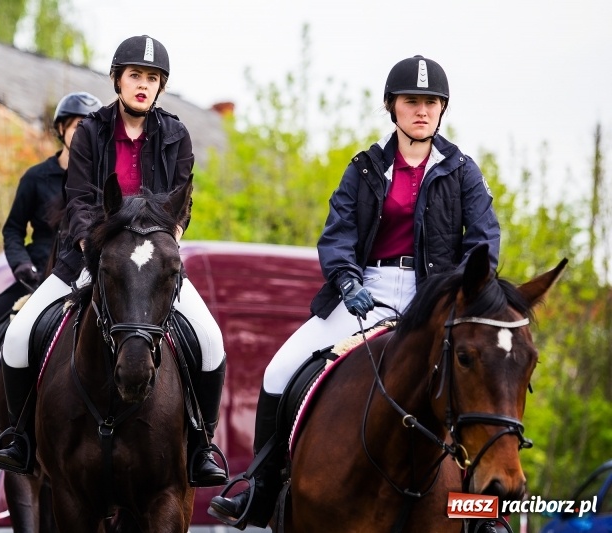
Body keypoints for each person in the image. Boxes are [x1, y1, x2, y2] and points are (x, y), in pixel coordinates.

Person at [208, 54, 501, 528]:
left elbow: (484, 240)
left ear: (442, 109)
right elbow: (337, 233)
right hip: (367, 289)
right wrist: (347, 280)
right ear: (392, 107)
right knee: (279, 370)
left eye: (431, 102)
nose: (421, 110)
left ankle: (482, 512)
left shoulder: (462, 169)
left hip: (435, 298)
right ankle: (260, 490)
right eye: (412, 102)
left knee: (476, 382)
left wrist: (458, 293)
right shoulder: (365, 168)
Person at [0, 35, 229, 487]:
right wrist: (92, 245)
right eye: (136, 75)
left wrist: (169, 242)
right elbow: (79, 198)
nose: (143, 84)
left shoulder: (176, 134)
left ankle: (200, 444)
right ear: (118, 79)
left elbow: (182, 201)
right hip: (90, 254)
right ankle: (18, 437)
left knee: (212, 340)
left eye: (152, 78)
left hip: (153, 261)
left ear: (161, 86)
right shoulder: (91, 133)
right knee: (19, 334)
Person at [0, 91, 103, 456]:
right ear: (62, 129)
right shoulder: (36, 178)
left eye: (91, 127)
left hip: (86, 275)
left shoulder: (102, 181)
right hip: (37, 277)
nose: (84, 132)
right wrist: (21, 265)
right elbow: (12, 230)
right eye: (78, 125)